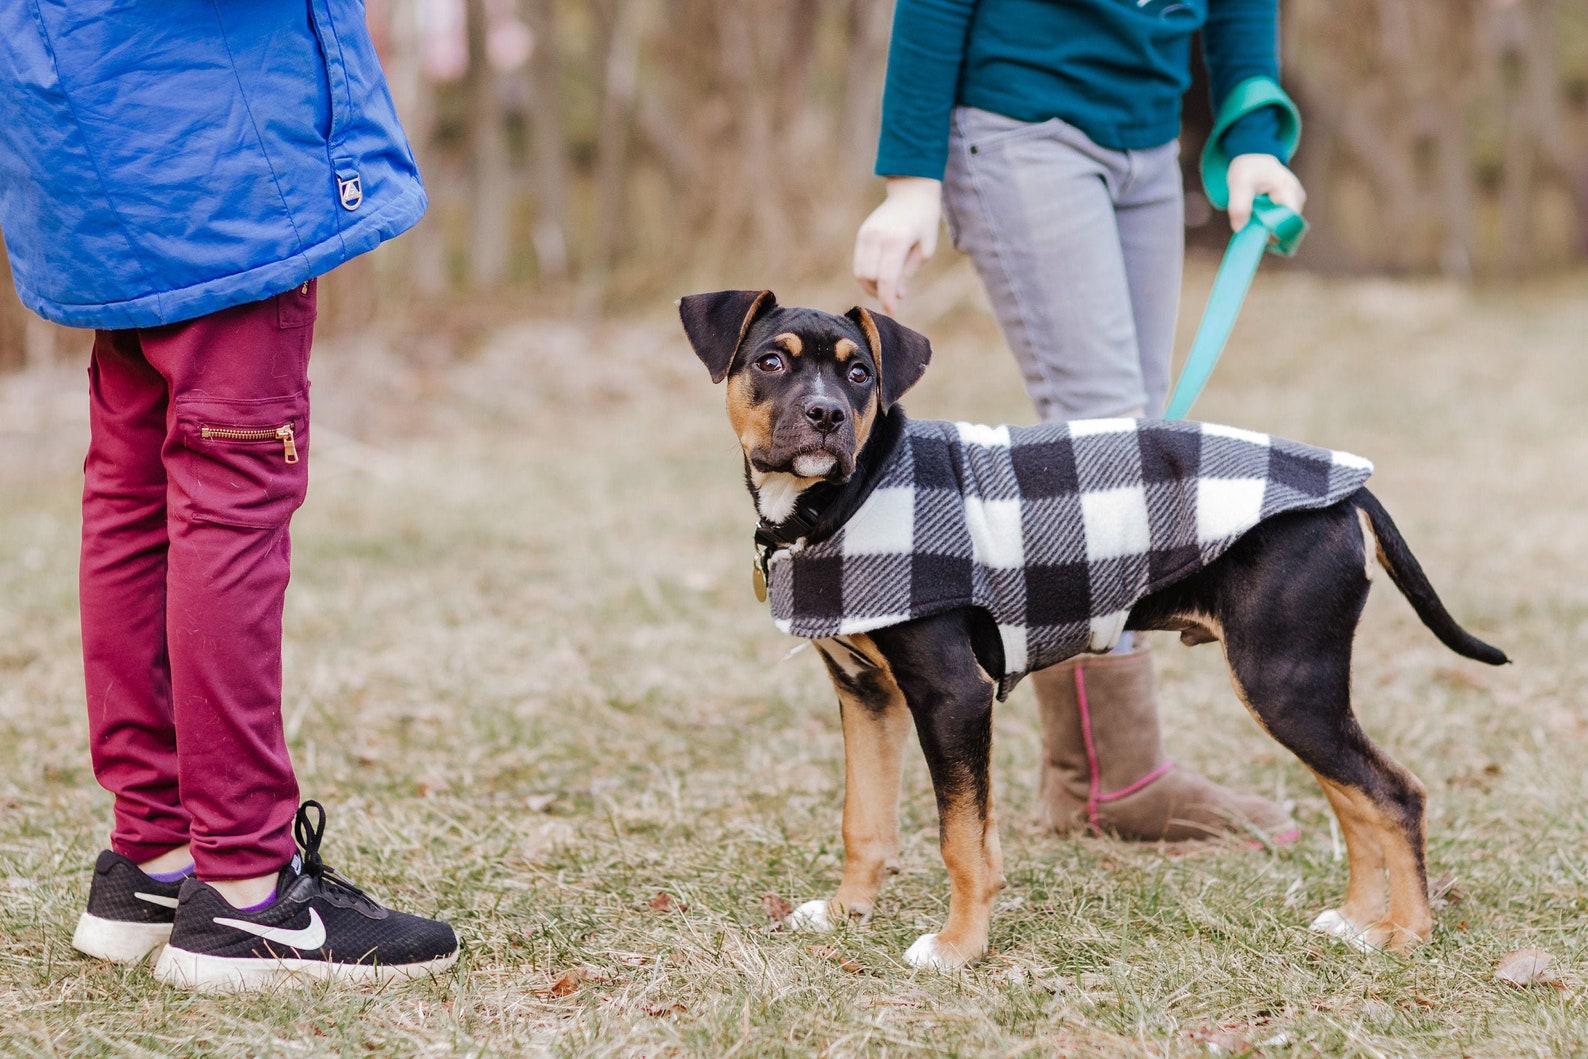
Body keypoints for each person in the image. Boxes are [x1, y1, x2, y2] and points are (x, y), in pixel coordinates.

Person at [0, 3, 458, 989]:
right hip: (209, 144)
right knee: (226, 496)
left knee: (131, 492)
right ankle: (250, 893)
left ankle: (155, 859)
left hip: (79, 129)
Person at [852, 0, 1307, 842]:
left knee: (1134, 438)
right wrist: (911, 185)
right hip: (1023, 125)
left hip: (1147, 135)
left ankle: (1102, 775)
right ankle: (1107, 777)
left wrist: (1251, 131)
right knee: (1101, 440)